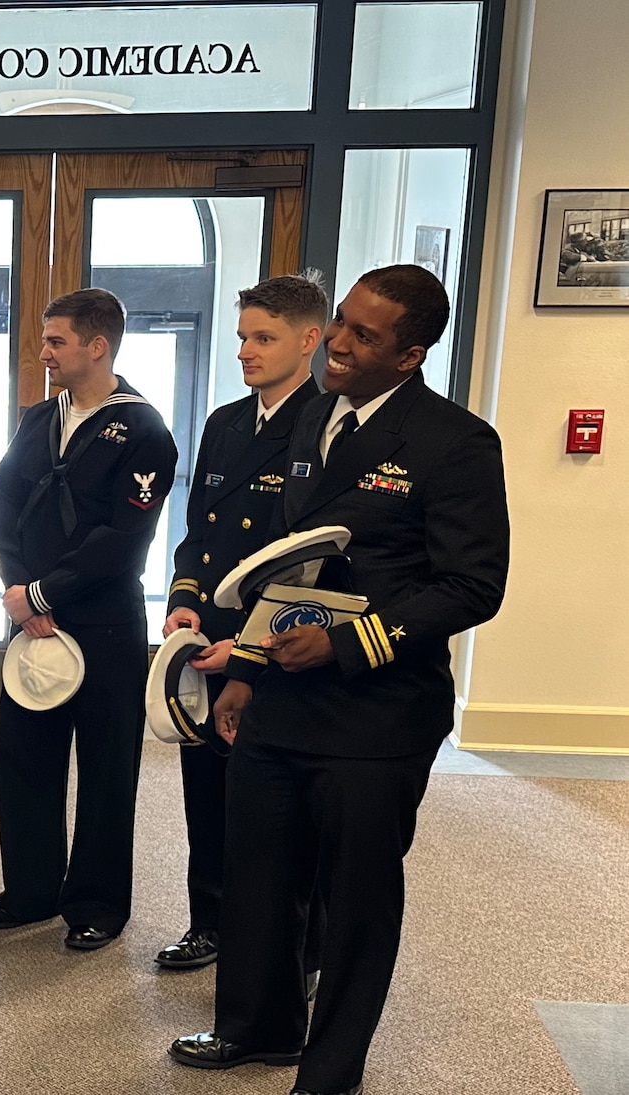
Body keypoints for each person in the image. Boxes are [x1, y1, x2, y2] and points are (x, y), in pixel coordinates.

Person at [168, 265, 510, 1095]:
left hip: (378, 710)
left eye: (365, 334)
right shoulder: (311, 418)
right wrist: (245, 670)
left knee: (353, 902)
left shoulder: (454, 442)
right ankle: (259, 1027)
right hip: (281, 696)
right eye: (342, 324)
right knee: (257, 875)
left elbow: (474, 586)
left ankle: (330, 1071)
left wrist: (348, 642)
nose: (341, 343)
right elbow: (278, 564)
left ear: (411, 353)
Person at [0, 288, 177, 951]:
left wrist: (43, 593)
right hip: (30, 618)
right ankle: (31, 888)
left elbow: (123, 541)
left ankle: (96, 902)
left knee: (105, 767)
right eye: (45, 339)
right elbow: (4, 501)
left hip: (103, 625)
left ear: (97, 346)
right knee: (22, 753)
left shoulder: (146, 430)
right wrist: (16, 585)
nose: (44, 352)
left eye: (56, 340)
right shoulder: (38, 418)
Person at [156, 273, 326, 972]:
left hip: (279, 642)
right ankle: (212, 920)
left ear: (310, 340)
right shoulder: (226, 421)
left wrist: (250, 648)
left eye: (264, 338)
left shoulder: (327, 425)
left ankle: (298, 951)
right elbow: (200, 529)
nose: (245, 353)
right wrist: (185, 595)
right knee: (208, 790)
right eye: (242, 338)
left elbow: (317, 559)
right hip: (212, 632)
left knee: (284, 811)